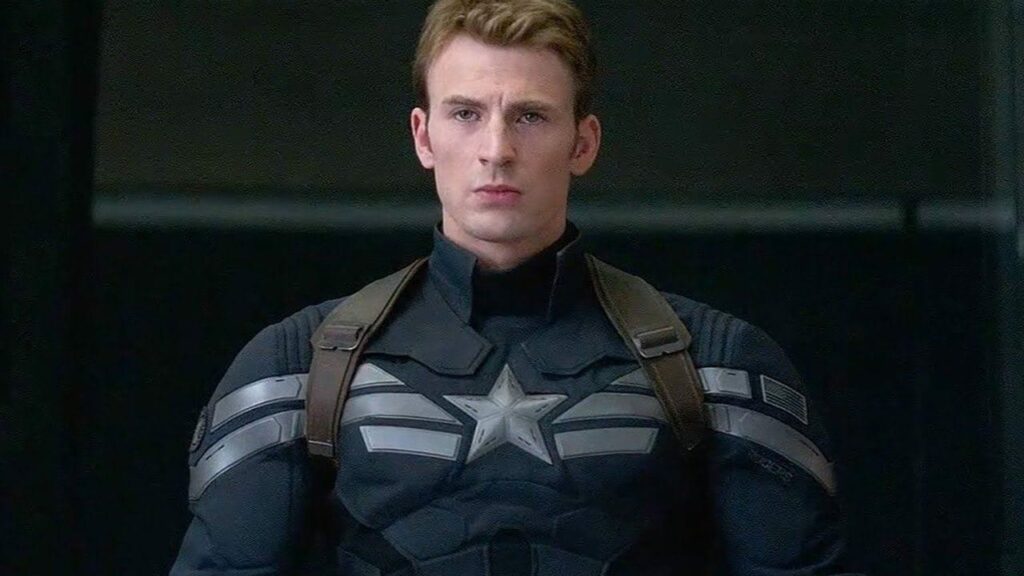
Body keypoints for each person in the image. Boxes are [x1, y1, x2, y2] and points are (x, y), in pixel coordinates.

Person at [170, 1, 858, 574]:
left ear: (583, 143)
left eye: (530, 115)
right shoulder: (301, 363)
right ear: (424, 136)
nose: (496, 149)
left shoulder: (714, 364)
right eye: (466, 113)